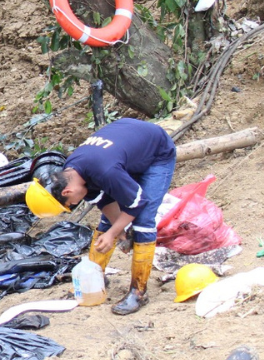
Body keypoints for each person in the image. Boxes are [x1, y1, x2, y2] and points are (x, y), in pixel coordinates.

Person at [25, 117, 176, 315]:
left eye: (69, 204)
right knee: (108, 221)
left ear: (67, 192)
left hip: (156, 153)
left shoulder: (104, 170)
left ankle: (138, 292)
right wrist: (119, 231)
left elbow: (138, 202)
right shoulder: (72, 171)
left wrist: (113, 233)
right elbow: (104, 202)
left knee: (143, 220)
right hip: (128, 150)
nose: (73, 205)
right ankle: (95, 278)